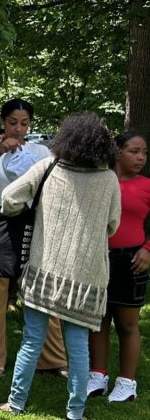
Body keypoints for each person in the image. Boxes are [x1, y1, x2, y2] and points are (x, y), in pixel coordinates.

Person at [0, 113, 120, 420]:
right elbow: (113, 225)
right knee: (77, 343)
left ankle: (16, 402)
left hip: (44, 269)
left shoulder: (48, 167)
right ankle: (75, 410)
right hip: (86, 276)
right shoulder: (108, 179)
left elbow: (9, 198)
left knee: (32, 338)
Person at [0, 99, 67, 376]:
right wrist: (0, 150)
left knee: (42, 297)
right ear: (3, 122)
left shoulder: (40, 151)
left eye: (24, 123)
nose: (18, 128)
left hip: (33, 233)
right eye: (13, 122)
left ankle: (53, 358)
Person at [87, 131, 148, 402]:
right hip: (98, 257)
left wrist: (148, 250)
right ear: (117, 152)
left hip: (132, 260)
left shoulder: (146, 185)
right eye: (134, 151)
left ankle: (127, 383)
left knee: (127, 324)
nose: (141, 157)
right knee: (98, 320)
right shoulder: (99, 181)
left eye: (144, 152)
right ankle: (97, 376)